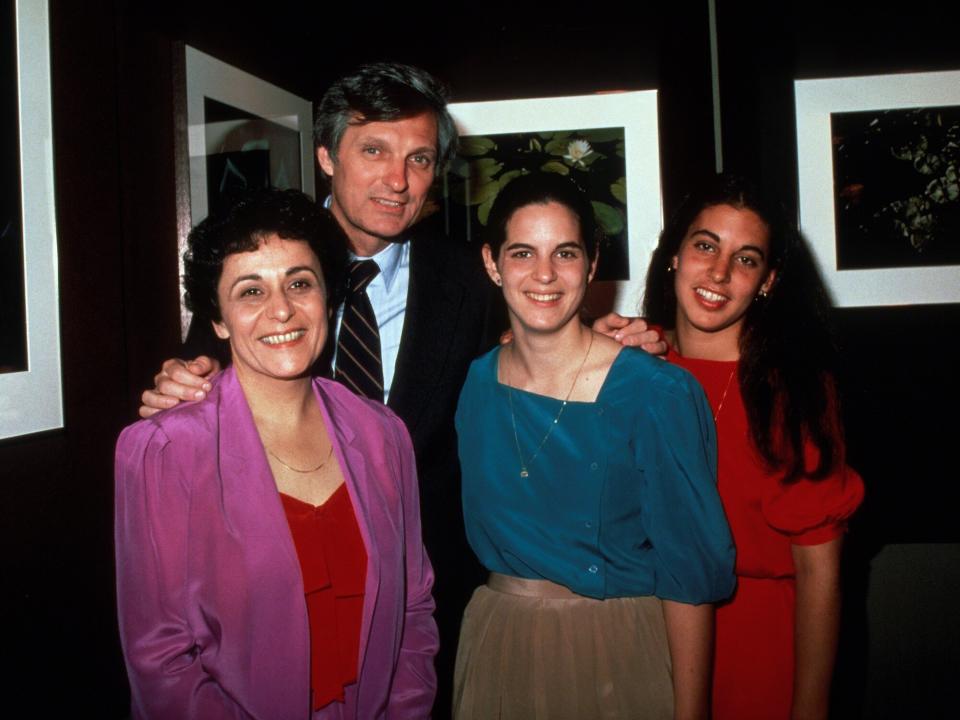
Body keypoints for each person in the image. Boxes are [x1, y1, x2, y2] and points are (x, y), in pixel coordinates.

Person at [137, 62, 662, 717]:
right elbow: (203, 388)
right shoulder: (263, 265)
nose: (397, 180)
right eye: (374, 151)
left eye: (418, 158)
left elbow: (536, 351)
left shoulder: (468, 282)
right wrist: (181, 382)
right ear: (327, 156)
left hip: (416, 615)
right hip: (265, 619)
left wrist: (614, 339)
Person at [115, 189, 437, 719]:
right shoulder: (163, 451)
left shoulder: (383, 435)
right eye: (250, 291)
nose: (282, 309)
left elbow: (414, 609)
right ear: (218, 319)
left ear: (328, 299)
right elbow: (162, 658)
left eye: (299, 283)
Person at [453, 173, 735, 720]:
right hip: (497, 647)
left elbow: (689, 578)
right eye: (522, 253)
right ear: (492, 263)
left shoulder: (658, 392)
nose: (544, 275)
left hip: (616, 650)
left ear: (592, 262)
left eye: (565, 252)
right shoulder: (474, 383)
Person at [643, 173, 865, 720]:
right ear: (674, 254)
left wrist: (809, 708)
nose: (718, 272)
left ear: (767, 280)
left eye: (746, 259)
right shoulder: (632, 364)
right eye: (705, 245)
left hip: (755, 649)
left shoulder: (793, 391)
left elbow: (820, 573)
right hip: (643, 640)